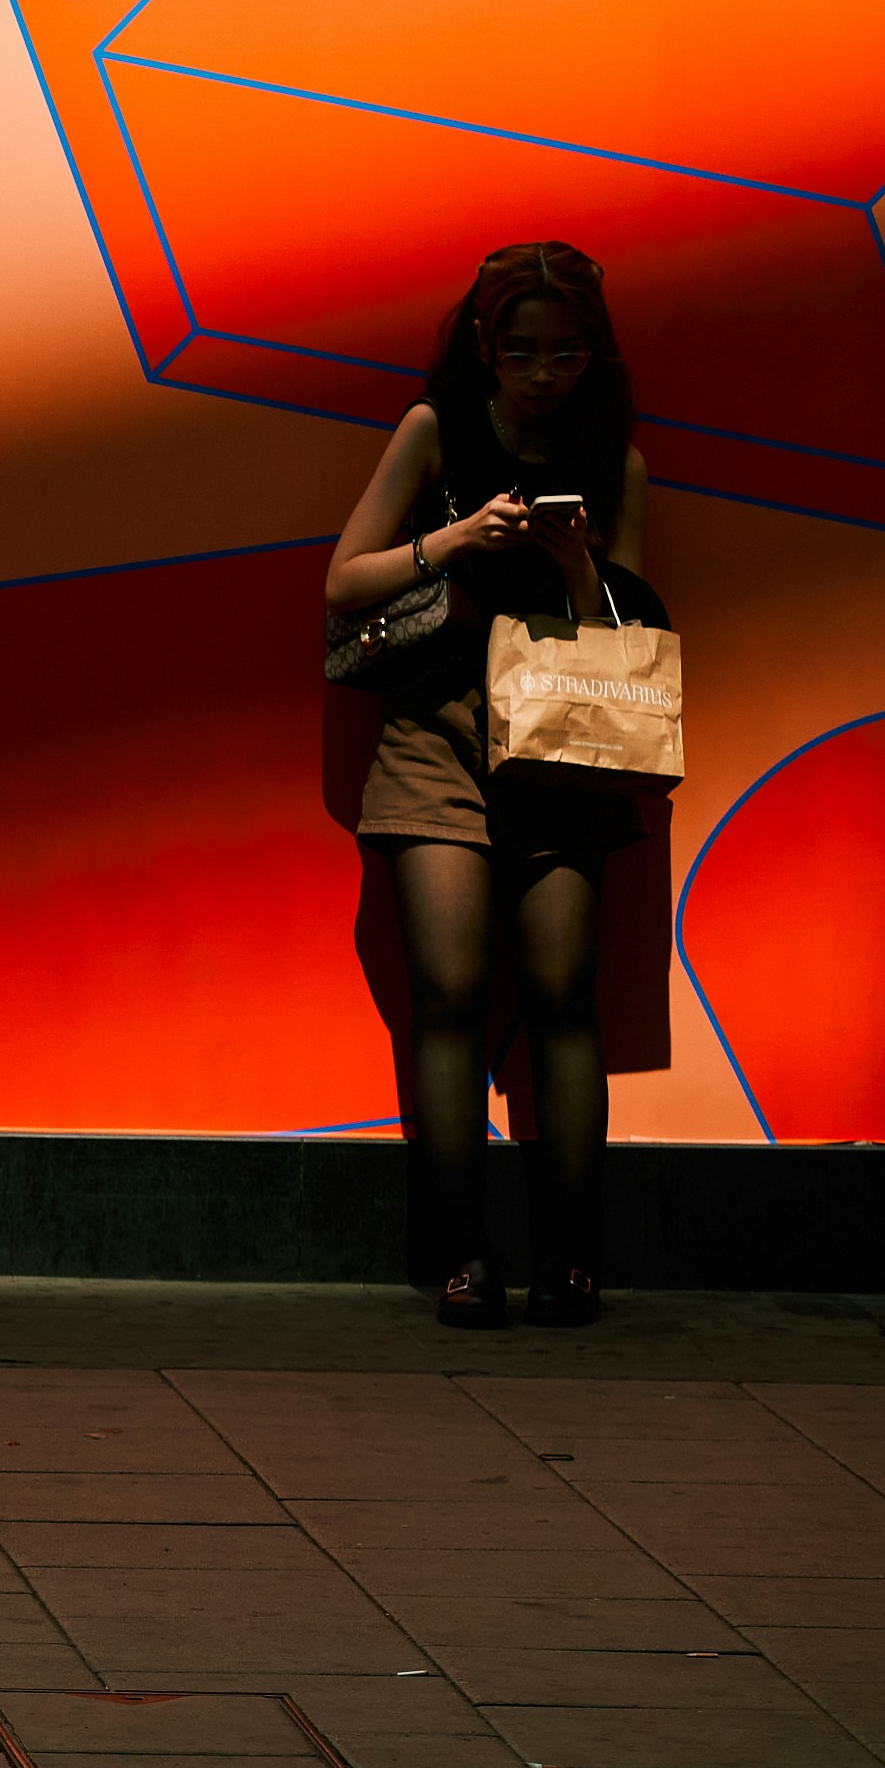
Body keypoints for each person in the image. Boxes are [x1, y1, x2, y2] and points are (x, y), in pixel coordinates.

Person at [324, 240, 657, 1330]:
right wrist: (458, 536)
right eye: (521, 350)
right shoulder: (436, 427)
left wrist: (576, 566)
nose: (543, 371)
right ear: (483, 344)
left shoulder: (615, 454)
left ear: (592, 353)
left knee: (564, 998)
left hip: (562, 736)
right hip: (435, 729)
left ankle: (573, 1261)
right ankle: (461, 1255)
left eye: (565, 351)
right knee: (451, 995)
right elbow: (343, 581)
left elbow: (639, 625)